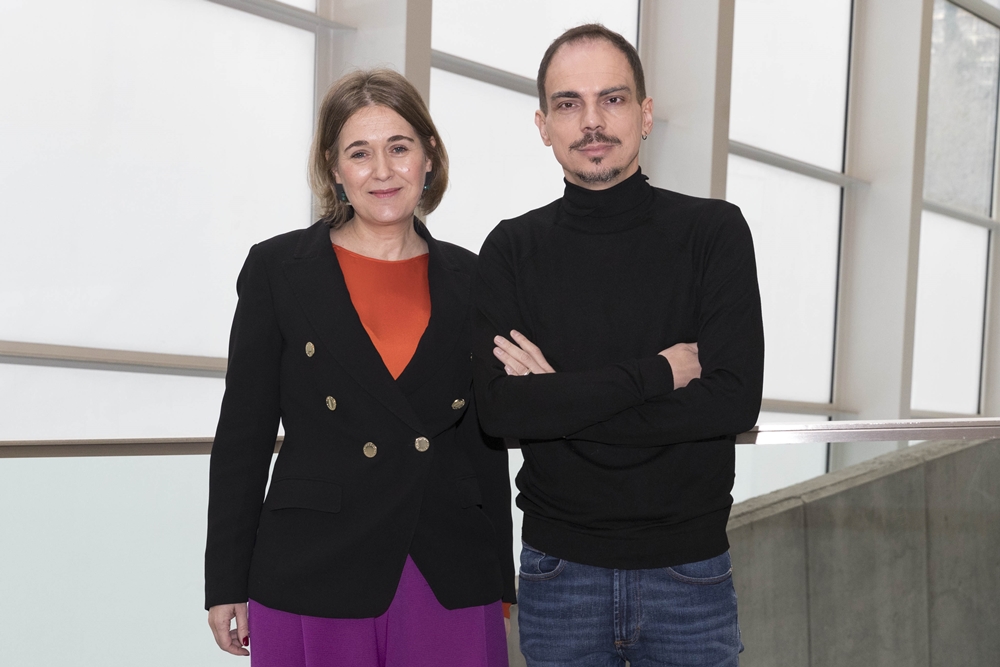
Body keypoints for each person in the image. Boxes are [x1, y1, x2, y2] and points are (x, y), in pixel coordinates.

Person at [471, 24, 764, 667]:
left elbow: (733, 404)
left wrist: (560, 399)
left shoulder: (713, 233)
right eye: (569, 104)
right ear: (543, 124)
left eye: (613, 98)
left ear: (646, 114)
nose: (592, 121)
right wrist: (660, 371)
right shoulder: (510, 250)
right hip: (557, 575)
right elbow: (501, 413)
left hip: (690, 572)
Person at [205, 68, 514, 667]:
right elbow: (242, 435)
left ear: (428, 156)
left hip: (445, 565)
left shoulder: (474, 278)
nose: (382, 170)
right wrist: (225, 582)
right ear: (334, 167)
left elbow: (484, 446)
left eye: (399, 147)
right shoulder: (279, 270)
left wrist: (501, 579)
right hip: (313, 565)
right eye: (359, 152)